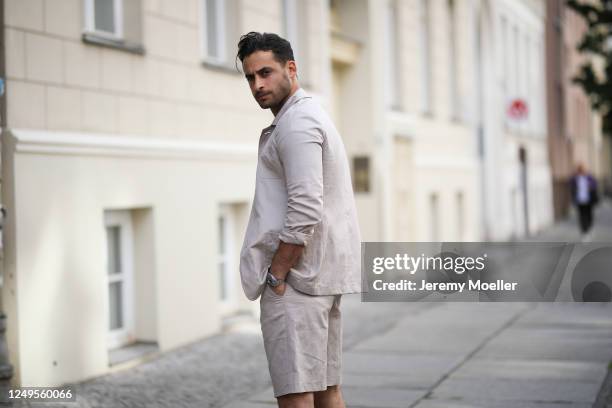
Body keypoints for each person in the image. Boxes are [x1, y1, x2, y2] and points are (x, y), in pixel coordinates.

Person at [236, 32, 361, 408]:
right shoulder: (309, 115)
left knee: (296, 395)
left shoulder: (297, 124)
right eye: (250, 78)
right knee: (326, 389)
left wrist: (277, 274)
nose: (258, 85)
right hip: (317, 278)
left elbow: (305, 207)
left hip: (297, 284)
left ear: (291, 68)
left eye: (265, 73)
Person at [570, 163, 599, 241]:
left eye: (583, 169)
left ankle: (589, 228)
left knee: (589, 215)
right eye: (580, 169)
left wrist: (590, 186)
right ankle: (584, 232)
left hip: (588, 200)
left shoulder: (589, 177)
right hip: (580, 200)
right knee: (582, 216)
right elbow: (571, 186)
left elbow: (595, 184)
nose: (581, 171)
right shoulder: (575, 178)